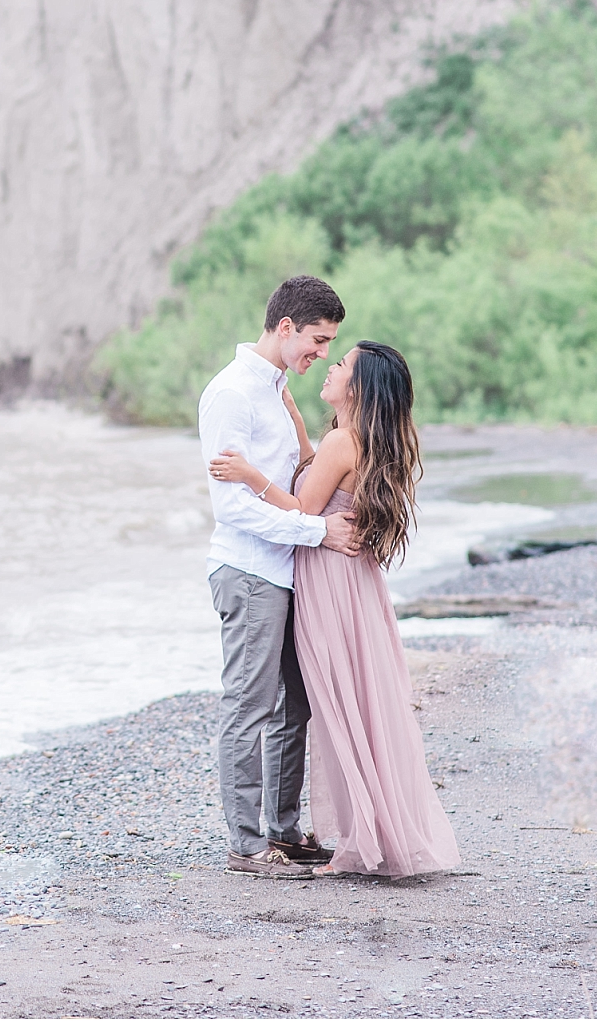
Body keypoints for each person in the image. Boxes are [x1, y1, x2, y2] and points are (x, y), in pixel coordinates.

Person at [210, 340, 461, 878]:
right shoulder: (355, 440)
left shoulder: (343, 442)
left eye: (340, 363)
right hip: (350, 584)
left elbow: (304, 506)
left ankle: (295, 835)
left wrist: (251, 476)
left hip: (327, 582)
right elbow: (313, 473)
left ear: (359, 388)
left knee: (335, 701)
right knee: (343, 700)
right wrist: (299, 427)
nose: (329, 365)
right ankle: (338, 827)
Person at [198, 276, 358, 880]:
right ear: (286, 327)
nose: (321, 353)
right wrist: (319, 533)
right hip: (247, 570)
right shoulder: (232, 393)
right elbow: (229, 506)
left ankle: (284, 833)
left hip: (287, 571)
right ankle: (246, 846)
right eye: (318, 340)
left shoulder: (274, 389)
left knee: (298, 707)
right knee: (251, 706)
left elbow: (297, 476)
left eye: (330, 344)